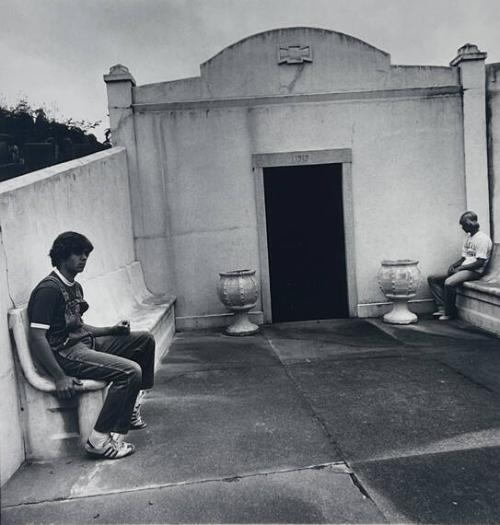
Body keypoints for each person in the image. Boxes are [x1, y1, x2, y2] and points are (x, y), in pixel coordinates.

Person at [28, 232, 156, 459]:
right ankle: (98, 440)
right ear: (62, 255)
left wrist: (111, 330)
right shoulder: (49, 290)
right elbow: (37, 337)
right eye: (78, 253)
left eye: (86, 254)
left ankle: (132, 408)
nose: (84, 258)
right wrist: (58, 376)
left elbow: (79, 326)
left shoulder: (75, 287)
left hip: (86, 344)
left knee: (144, 340)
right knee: (129, 371)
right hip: (66, 353)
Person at [428, 211, 492, 321]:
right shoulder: (468, 237)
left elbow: (480, 262)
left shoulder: (483, 239)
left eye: (464, 225)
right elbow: (464, 258)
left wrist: (461, 268)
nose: (462, 228)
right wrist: (454, 265)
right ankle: (442, 307)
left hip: (475, 271)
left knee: (449, 283)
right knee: (433, 278)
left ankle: (450, 313)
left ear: (472, 224)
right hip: (464, 268)